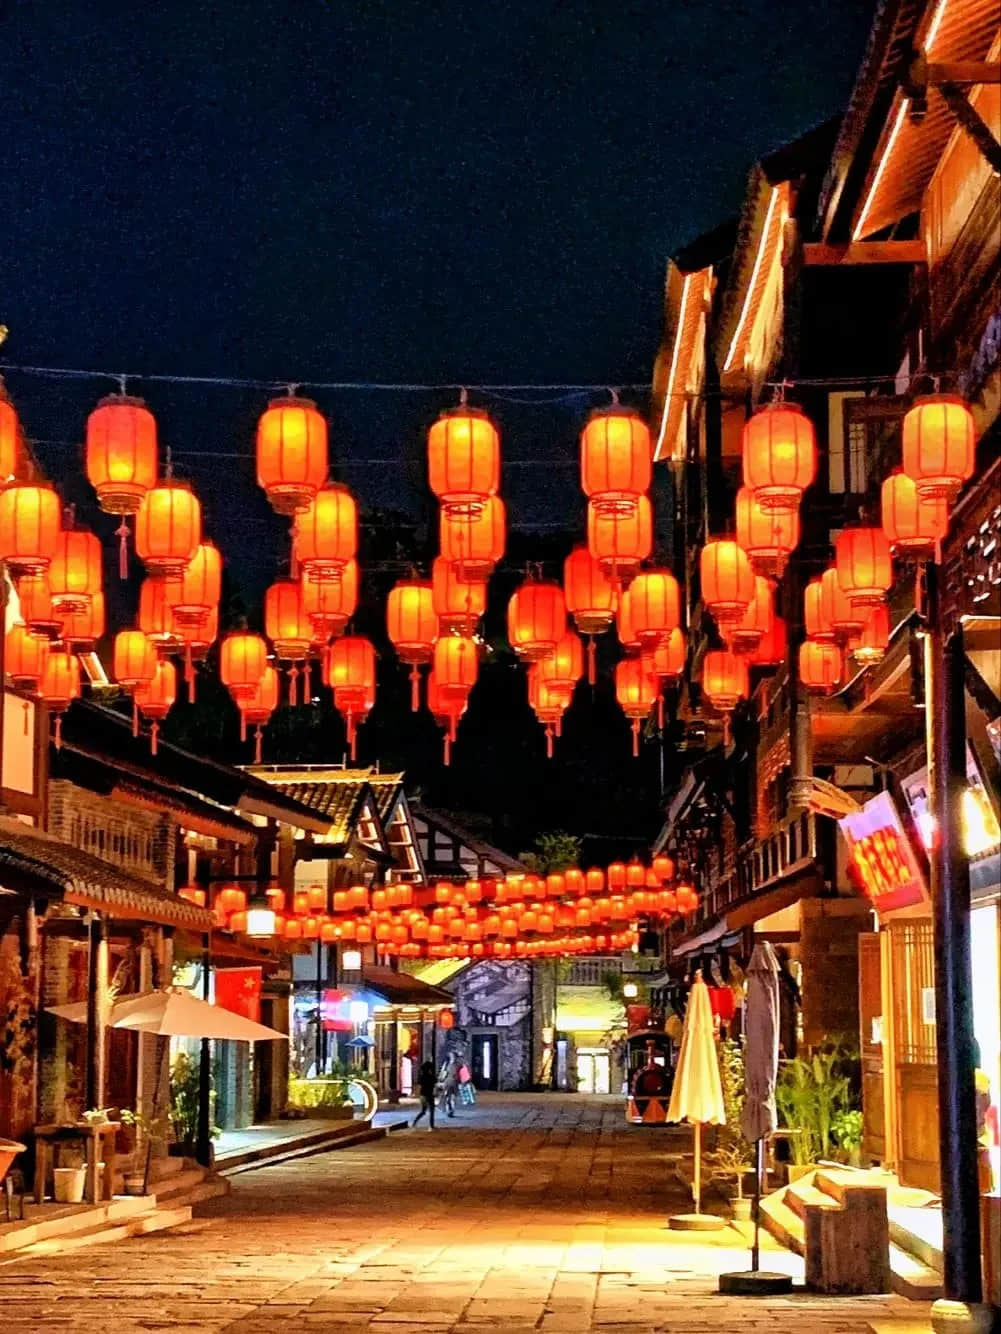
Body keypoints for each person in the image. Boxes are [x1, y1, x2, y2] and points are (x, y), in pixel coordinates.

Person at [411, 1060, 437, 1129]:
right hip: (429, 1095)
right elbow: (435, 1083)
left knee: (423, 1111)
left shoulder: (422, 1076)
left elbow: (419, 1085)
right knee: (431, 1111)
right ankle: (431, 1126)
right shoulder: (431, 1076)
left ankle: (415, 1122)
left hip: (423, 1095)